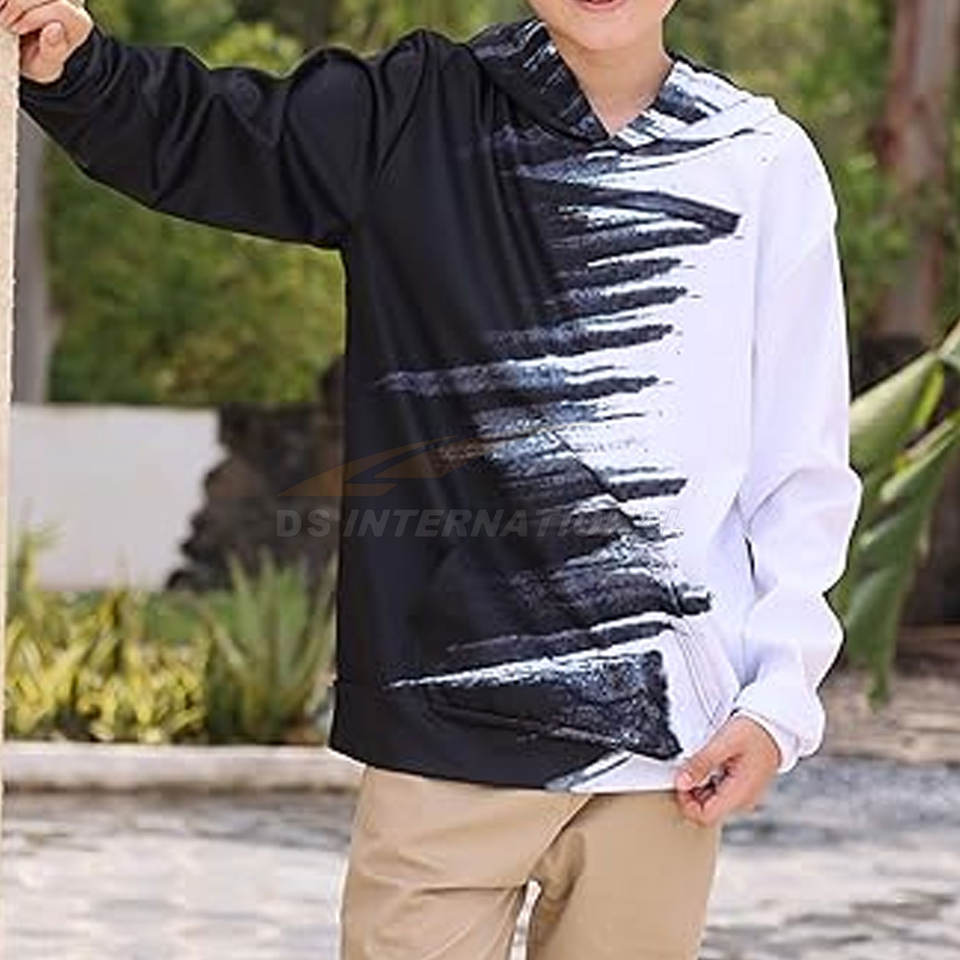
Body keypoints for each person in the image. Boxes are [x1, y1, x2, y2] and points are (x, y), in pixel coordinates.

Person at [11, 0, 864, 956]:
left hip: (669, 751)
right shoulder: (410, 117)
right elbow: (215, 132)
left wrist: (777, 700)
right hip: (445, 740)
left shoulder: (759, 161)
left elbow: (799, 470)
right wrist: (77, 67)